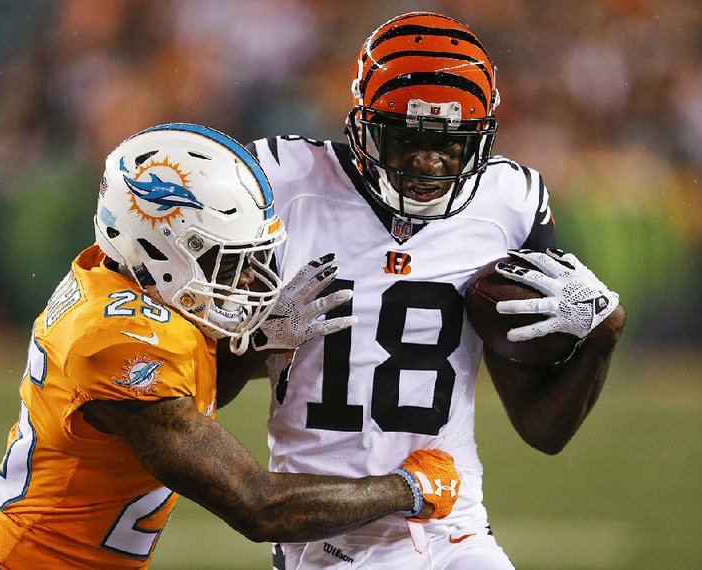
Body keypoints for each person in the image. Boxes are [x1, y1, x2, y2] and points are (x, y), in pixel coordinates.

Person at [0, 123, 463, 569]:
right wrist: (408, 489)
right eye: (225, 258)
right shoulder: (119, 341)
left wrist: (257, 339)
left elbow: (187, 407)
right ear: (160, 244)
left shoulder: (129, 285)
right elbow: (258, 506)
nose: (246, 278)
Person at [217, 12, 627, 569]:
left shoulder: (507, 204)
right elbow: (203, 390)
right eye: (407, 139)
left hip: (455, 527)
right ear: (362, 126)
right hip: (328, 534)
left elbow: (543, 430)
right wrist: (257, 337)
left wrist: (604, 333)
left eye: (450, 144)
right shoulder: (280, 183)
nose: (427, 162)